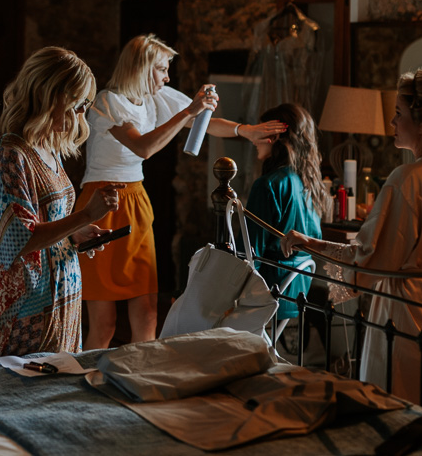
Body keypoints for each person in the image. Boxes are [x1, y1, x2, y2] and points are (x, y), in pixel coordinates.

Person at [75, 33, 287, 349]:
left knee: (147, 312)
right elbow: (143, 147)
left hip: (135, 200)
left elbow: (207, 122)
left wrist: (246, 131)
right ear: (142, 68)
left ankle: (139, 378)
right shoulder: (108, 102)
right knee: (104, 323)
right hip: (100, 205)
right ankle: (84, 388)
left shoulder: (157, 98)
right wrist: (189, 111)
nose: (167, 76)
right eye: (161, 69)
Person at [281, 67, 422, 416]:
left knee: (405, 408)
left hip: (410, 316)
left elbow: (370, 261)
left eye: (399, 115)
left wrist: (312, 245)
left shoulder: (407, 181)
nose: (393, 123)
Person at [0, 46, 124, 364]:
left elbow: (48, 219)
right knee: (21, 389)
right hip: (28, 302)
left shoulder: (49, 147)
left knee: (55, 389)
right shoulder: (10, 153)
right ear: (48, 96)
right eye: (75, 106)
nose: (80, 117)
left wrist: (77, 231)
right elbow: (17, 240)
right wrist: (87, 213)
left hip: (63, 293)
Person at [244, 103, 333, 336]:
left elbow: (251, 255)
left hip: (272, 289)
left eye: (259, 131)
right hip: (298, 289)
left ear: (274, 136)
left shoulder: (267, 185)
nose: (253, 138)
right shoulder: (309, 184)